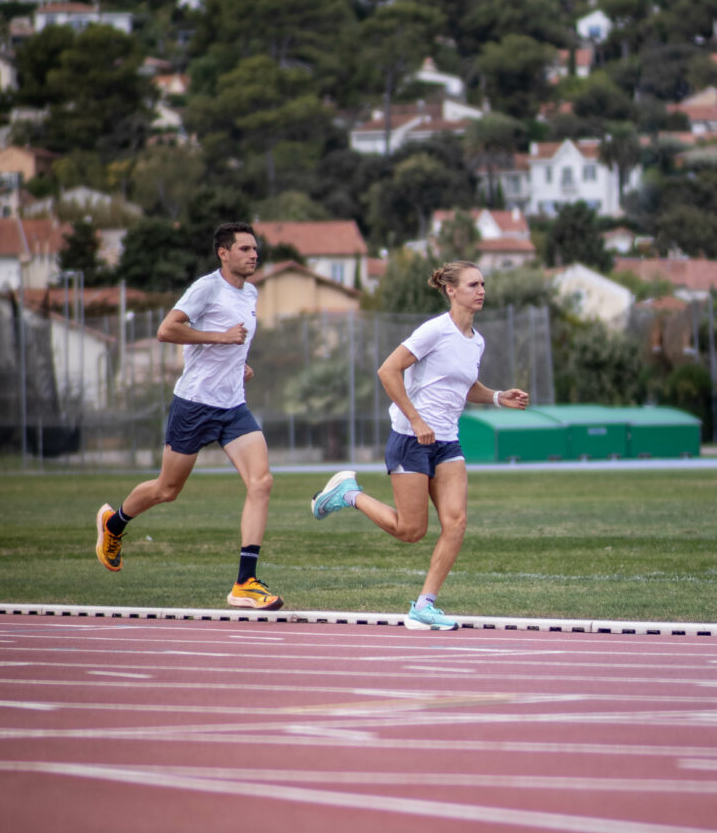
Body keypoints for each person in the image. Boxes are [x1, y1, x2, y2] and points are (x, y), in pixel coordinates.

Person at [311, 260, 528, 630]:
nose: (481, 291)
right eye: (473, 284)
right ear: (451, 290)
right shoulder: (434, 331)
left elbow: (462, 383)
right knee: (411, 531)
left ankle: (424, 605)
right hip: (411, 439)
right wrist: (416, 419)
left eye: (483, 284)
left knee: (456, 523)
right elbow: (387, 370)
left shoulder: (477, 341)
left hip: (447, 442)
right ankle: (349, 494)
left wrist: (495, 397)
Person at [95, 222, 283, 611]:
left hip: (233, 407)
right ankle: (113, 524)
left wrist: (239, 362)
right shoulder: (206, 288)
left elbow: (236, 339)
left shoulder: (250, 292)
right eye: (245, 249)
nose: (253, 255)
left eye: (255, 249)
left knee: (261, 482)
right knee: (168, 489)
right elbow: (167, 330)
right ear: (224, 253)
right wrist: (221, 340)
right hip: (194, 404)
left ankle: (244, 583)